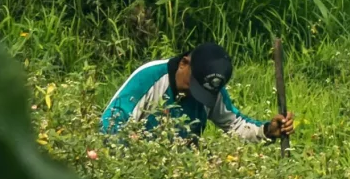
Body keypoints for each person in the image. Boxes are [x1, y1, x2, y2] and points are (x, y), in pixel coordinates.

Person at [99, 41, 293, 144]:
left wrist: (267, 130)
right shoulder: (150, 77)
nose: (195, 93)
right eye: (194, 85)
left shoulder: (211, 87)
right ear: (184, 63)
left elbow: (235, 125)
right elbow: (111, 125)